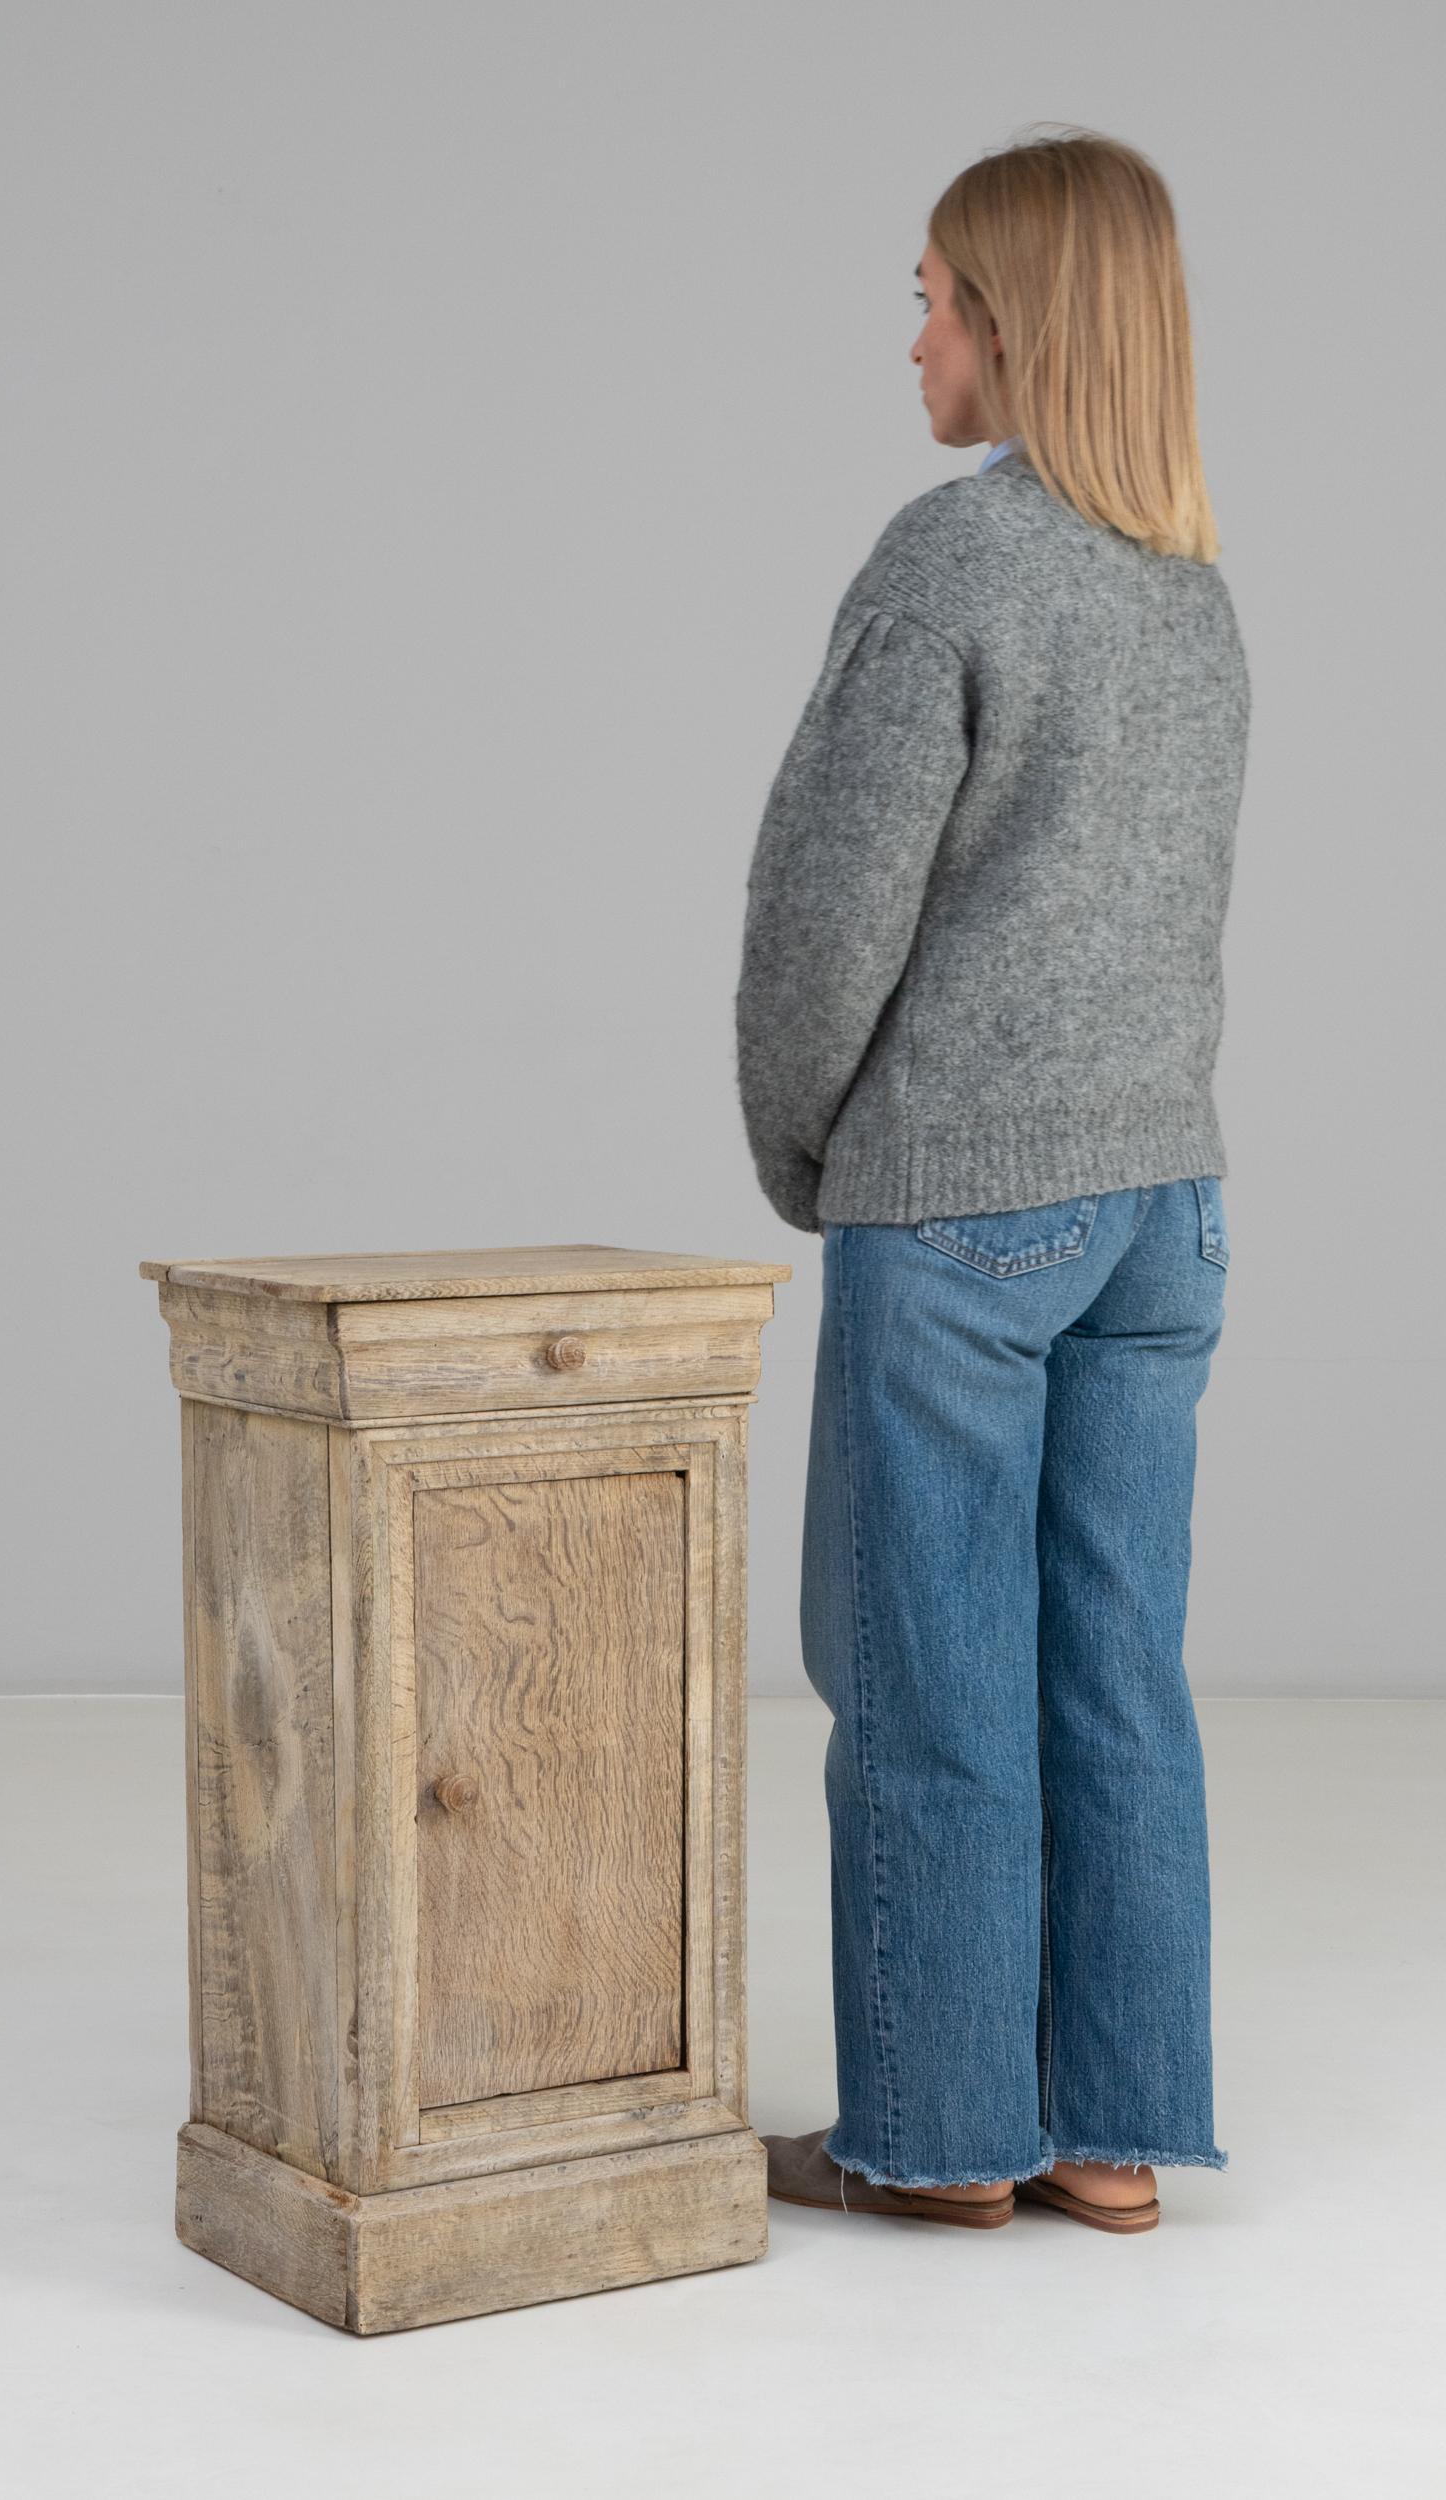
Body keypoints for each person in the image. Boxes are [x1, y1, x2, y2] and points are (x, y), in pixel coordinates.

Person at [735, 128, 1249, 2235]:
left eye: (934, 292)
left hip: (957, 1208)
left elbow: (821, 915)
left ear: (1015, 318)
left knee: (928, 1671)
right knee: (1108, 1664)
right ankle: (1111, 2134)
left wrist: (806, 1146)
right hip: (1161, 1207)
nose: (913, 333)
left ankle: (940, 2135)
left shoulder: (952, 563)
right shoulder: (1192, 593)